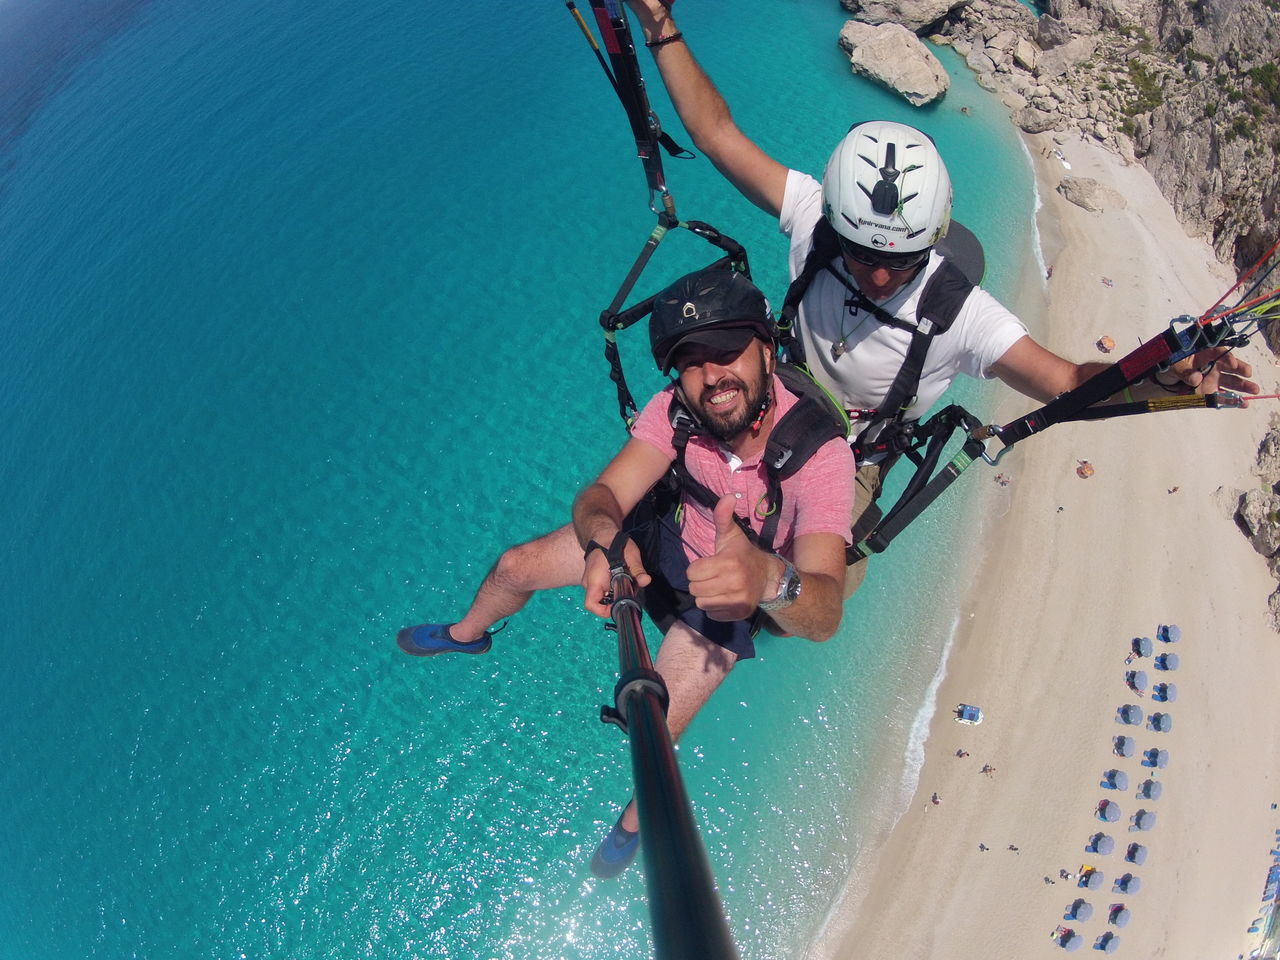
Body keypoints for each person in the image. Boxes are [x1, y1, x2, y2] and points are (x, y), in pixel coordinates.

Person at [621, 0, 1259, 590]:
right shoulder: (816, 218)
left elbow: (1067, 382)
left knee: (807, 596)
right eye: (863, 254)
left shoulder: (959, 314)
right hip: (771, 404)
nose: (876, 276)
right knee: (663, 497)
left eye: (900, 262)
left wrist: (1163, 377)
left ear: (932, 242)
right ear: (836, 227)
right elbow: (715, 133)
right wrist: (660, 27)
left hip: (849, 455)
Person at [398, 265, 856, 878]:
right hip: (652, 539)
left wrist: (768, 579)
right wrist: (603, 543)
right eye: (690, 362)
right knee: (514, 566)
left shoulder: (821, 457)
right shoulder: (676, 412)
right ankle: (467, 634)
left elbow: (824, 613)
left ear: (766, 352)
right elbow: (602, 494)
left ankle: (634, 821)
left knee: (656, 732)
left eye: (727, 352)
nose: (712, 376)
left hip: (722, 599)